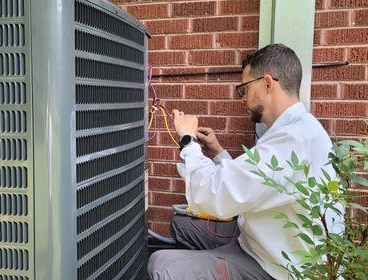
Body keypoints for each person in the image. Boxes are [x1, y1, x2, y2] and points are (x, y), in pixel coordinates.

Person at [147, 44, 342, 280]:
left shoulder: (294, 140)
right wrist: (218, 153)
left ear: (267, 83)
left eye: (245, 88)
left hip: (275, 268)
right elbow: (255, 184)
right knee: (182, 225)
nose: (243, 98)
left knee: (161, 263)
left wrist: (188, 141)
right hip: (259, 243)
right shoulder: (298, 130)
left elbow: (215, 195)